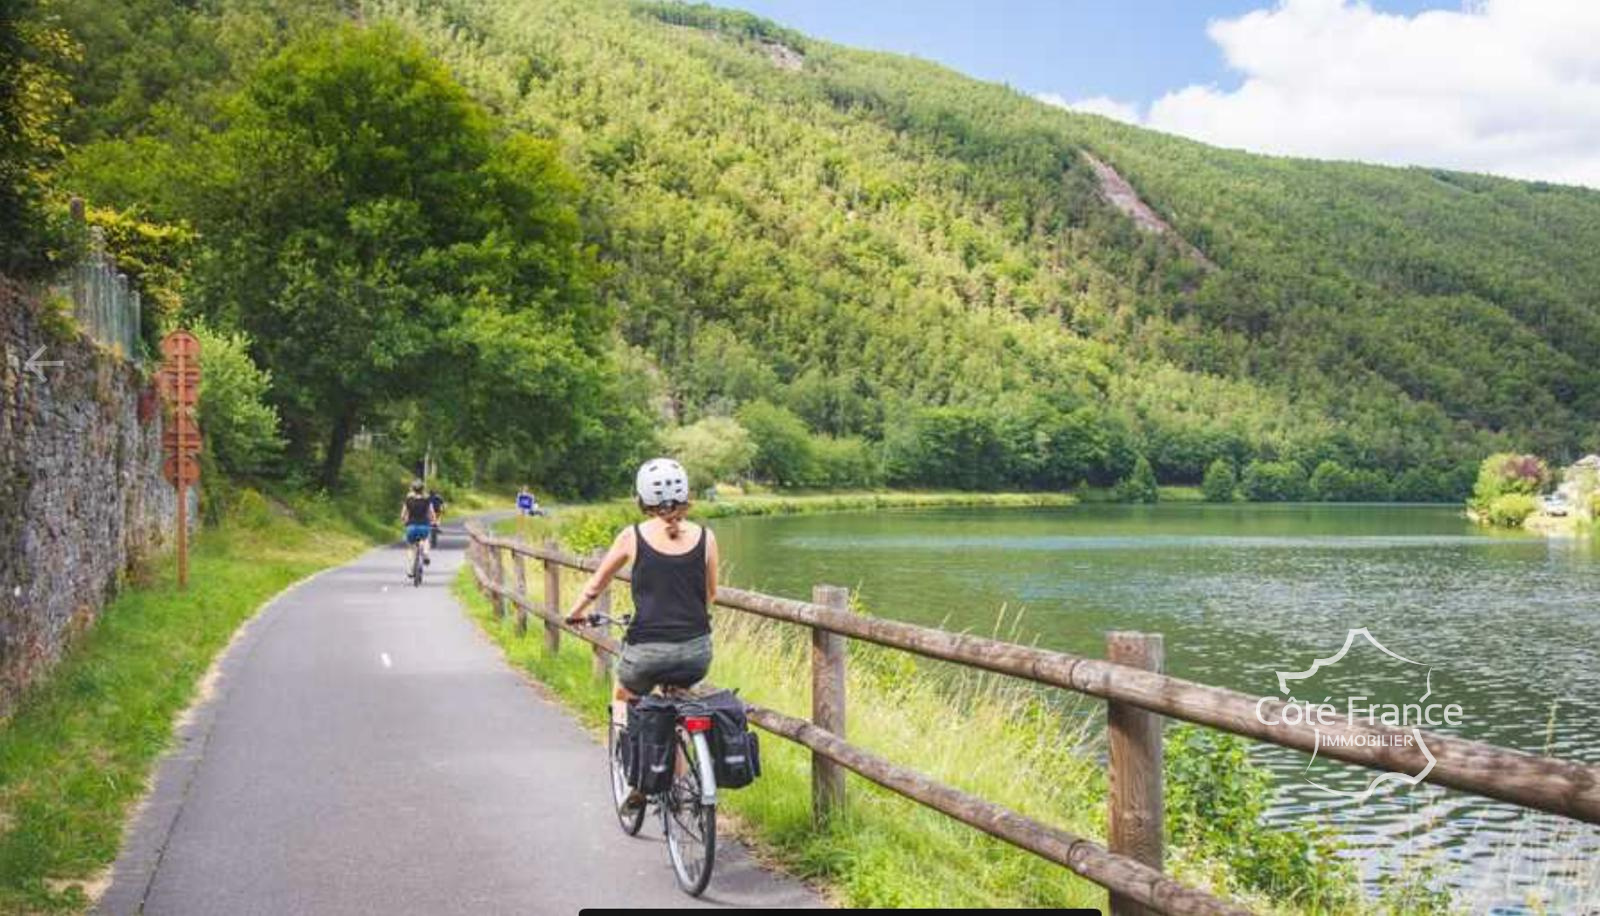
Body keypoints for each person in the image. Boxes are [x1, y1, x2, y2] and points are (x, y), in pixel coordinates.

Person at [565, 458, 718, 796]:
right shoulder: (707, 537)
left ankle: (631, 773)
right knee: (677, 704)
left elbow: (596, 586)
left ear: (642, 497)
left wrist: (574, 613)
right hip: (697, 652)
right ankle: (679, 787)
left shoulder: (632, 536)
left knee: (623, 694)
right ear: (686, 494)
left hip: (646, 652)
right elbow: (710, 595)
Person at [401, 480, 437, 572]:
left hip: (411, 526)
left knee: (410, 546)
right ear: (423, 489)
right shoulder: (427, 500)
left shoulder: (408, 500)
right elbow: (431, 513)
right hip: (424, 526)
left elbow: (403, 515)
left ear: (413, 489)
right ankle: (425, 553)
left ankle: (411, 567)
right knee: (426, 540)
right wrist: (433, 521)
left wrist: (404, 522)